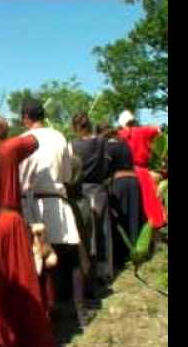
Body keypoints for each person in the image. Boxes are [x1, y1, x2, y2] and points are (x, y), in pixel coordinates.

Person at [0, 115, 57, 347]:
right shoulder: (11, 148)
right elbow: (34, 141)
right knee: (23, 284)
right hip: (10, 223)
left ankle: (0, 335)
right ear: (5, 132)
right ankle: (28, 337)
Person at [18, 100, 88, 327]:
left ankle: (48, 311)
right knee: (71, 256)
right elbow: (67, 175)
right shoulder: (58, 137)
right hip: (57, 201)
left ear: (25, 118)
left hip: (31, 206)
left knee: (40, 261)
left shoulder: (20, 141)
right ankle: (80, 312)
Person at [71, 113, 114, 282]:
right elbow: (108, 164)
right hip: (99, 190)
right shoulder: (103, 142)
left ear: (75, 127)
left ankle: (88, 274)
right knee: (103, 232)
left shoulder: (72, 145)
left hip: (82, 192)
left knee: (86, 234)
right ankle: (104, 272)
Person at [97, 123, 147, 267]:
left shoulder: (109, 147)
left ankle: (123, 255)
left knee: (121, 217)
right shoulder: (125, 145)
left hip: (121, 183)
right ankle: (137, 252)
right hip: (134, 182)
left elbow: (105, 170)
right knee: (134, 216)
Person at [117, 110, 166, 229]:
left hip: (125, 173)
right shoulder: (143, 131)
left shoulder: (120, 134)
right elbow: (159, 130)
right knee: (151, 208)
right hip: (143, 172)